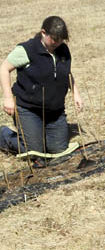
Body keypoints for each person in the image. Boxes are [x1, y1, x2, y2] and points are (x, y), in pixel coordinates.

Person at [0, 16, 83, 159]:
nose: (57, 43)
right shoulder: (27, 50)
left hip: (54, 111)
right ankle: (4, 135)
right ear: (43, 33)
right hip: (28, 108)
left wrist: (76, 93)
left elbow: (65, 73)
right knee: (35, 153)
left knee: (58, 152)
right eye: (54, 39)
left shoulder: (62, 49)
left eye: (61, 40)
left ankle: (40, 132)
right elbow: (4, 68)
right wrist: (7, 98)